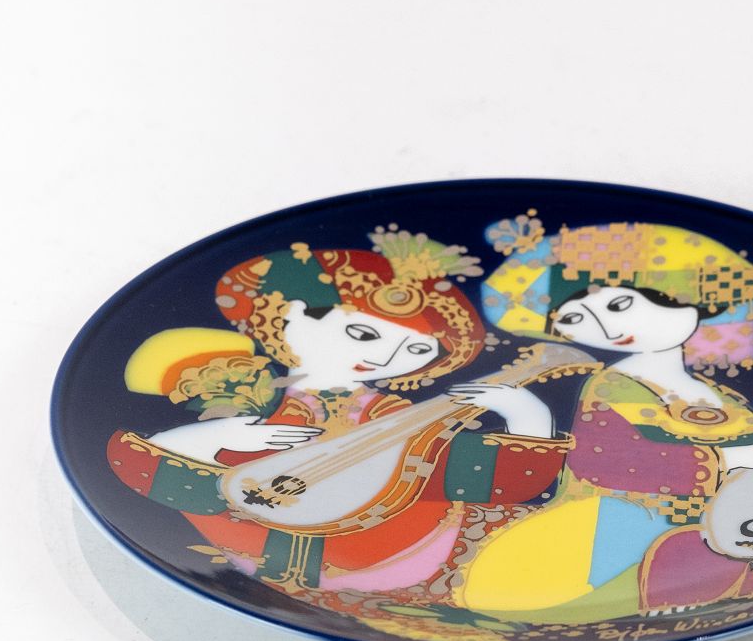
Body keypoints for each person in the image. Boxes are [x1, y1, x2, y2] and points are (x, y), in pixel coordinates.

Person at [453, 215, 753, 621]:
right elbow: (608, 462)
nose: (608, 329)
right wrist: (733, 460)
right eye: (576, 319)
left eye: (619, 305)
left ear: (685, 300)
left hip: (731, 517)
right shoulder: (612, 386)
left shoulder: (717, 393)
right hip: (625, 520)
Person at [107, 231, 571, 599]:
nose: (386, 358)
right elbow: (141, 469)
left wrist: (525, 412)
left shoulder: (393, 416)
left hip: (387, 555)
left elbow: (485, 473)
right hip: (254, 547)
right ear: (292, 314)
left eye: (415, 350)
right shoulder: (251, 396)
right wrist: (217, 438)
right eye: (364, 334)